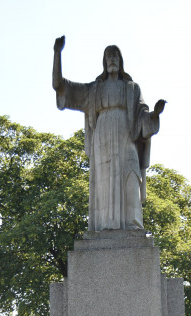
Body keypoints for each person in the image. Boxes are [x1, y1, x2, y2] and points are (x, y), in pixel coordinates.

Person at [53, 36, 165, 231]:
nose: (112, 59)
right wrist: (57, 54)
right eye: (108, 56)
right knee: (104, 182)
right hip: (102, 136)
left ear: (120, 61)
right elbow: (60, 86)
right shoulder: (94, 89)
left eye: (115, 56)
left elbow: (143, 116)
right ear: (104, 62)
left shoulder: (131, 88)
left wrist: (154, 114)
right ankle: (104, 226)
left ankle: (133, 224)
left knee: (131, 174)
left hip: (126, 134)